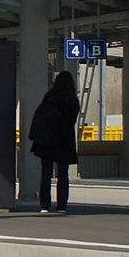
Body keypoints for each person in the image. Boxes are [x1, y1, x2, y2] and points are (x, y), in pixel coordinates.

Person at [29, 70, 81, 213]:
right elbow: (72, 120)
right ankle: (61, 205)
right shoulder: (73, 100)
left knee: (46, 172)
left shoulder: (49, 97)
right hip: (64, 140)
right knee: (63, 174)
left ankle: (45, 204)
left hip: (47, 139)